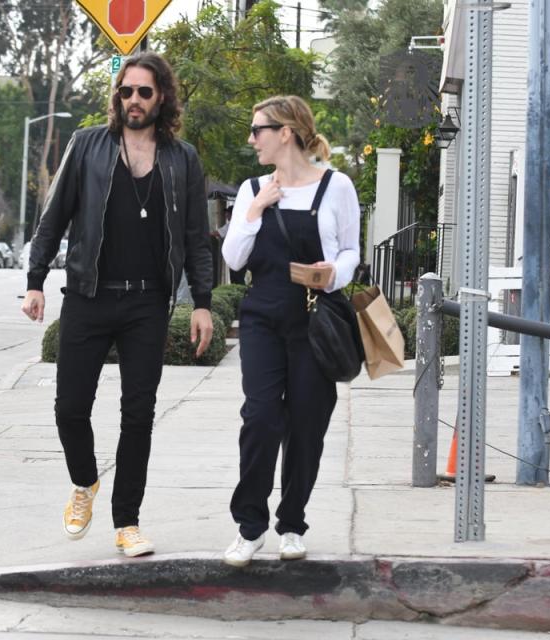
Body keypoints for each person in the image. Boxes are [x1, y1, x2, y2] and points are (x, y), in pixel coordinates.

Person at [21, 52, 214, 558]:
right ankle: (84, 483)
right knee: (69, 409)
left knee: (138, 415)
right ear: (118, 97)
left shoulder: (182, 159)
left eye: (144, 92)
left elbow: (196, 237)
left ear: (162, 98)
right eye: (126, 91)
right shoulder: (88, 146)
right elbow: (54, 216)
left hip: (147, 303)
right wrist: (35, 281)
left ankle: (127, 522)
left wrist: (202, 302)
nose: (133, 100)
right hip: (88, 296)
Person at [220, 96, 360, 567]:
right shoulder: (252, 188)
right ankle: (250, 526)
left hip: (315, 318)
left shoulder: (336, 186)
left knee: (306, 424)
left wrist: (332, 273)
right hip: (263, 314)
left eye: (257, 129)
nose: (251, 138)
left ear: (286, 133)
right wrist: (256, 208)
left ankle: (292, 523)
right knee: (260, 418)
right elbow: (234, 258)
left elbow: (351, 252)